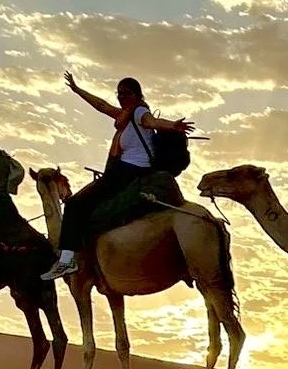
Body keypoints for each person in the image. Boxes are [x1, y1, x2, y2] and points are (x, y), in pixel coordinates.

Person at [40, 72, 193, 280]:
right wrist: (77, 90)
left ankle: (67, 261)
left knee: (75, 204)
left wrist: (173, 126)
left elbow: (151, 122)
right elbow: (101, 105)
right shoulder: (126, 115)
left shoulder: (139, 112)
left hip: (129, 171)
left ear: (137, 94)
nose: (121, 97)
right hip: (124, 169)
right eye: (119, 93)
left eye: (126, 93)